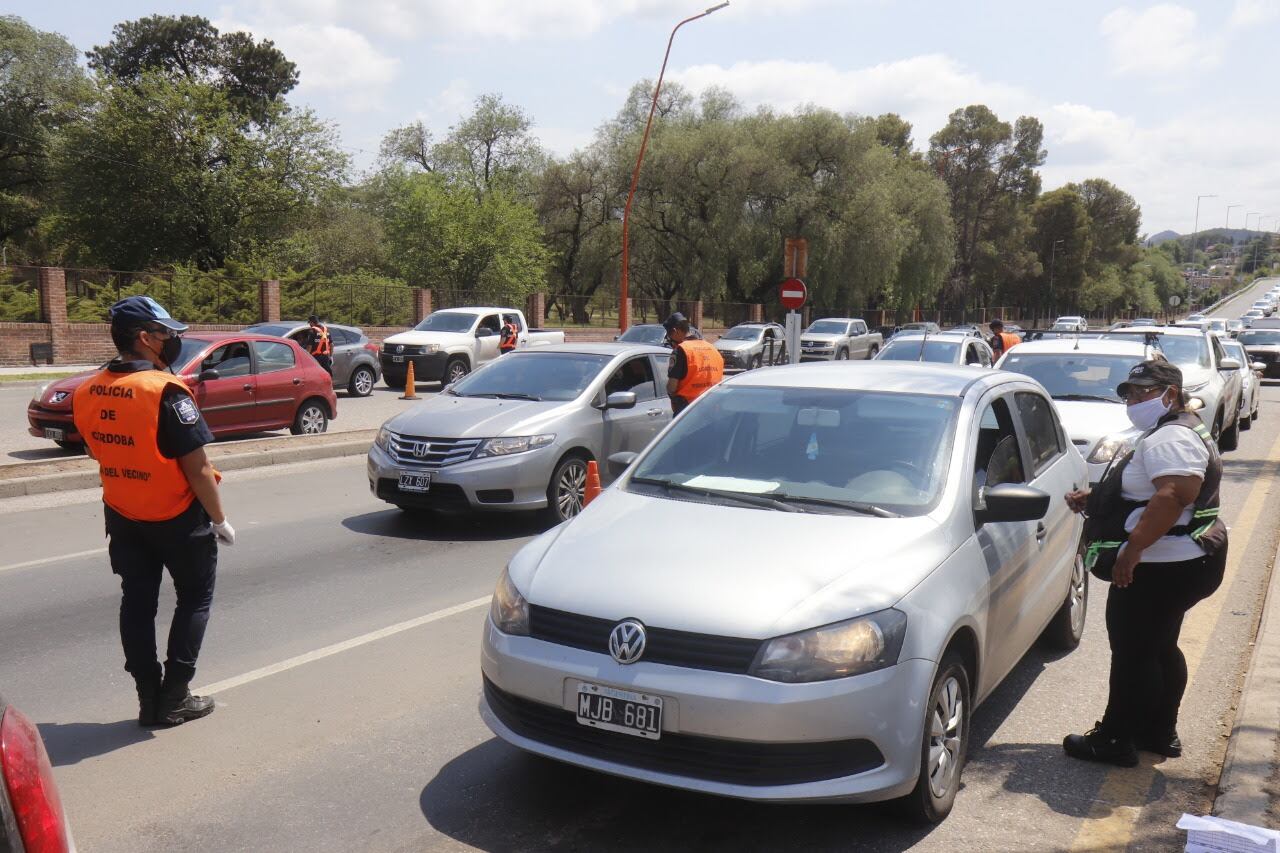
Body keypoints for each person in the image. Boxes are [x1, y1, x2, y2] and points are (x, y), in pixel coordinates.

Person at [72, 296, 236, 728]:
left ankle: (148, 697)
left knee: (137, 602)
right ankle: (175, 697)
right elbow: (199, 469)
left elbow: (95, 448)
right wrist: (218, 520)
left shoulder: (87, 389)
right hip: (178, 518)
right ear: (145, 338)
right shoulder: (164, 391)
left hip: (124, 514)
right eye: (167, 333)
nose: (174, 339)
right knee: (195, 599)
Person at [1061, 360, 1227, 766]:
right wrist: (1099, 500)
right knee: (1159, 647)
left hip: (1160, 566)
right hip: (1179, 563)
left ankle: (1116, 739)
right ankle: (1158, 731)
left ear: (1171, 393)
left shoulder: (1173, 437)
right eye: (1130, 393)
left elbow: (1172, 495)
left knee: (1135, 652)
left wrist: (1132, 551)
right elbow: (1151, 491)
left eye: (1144, 392)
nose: (1134, 400)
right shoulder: (1176, 428)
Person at [663, 312, 723, 415]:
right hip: (713, 409)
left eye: (669, 335)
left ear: (675, 331)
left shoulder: (681, 350)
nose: (670, 340)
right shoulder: (713, 349)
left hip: (689, 413)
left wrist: (670, 392)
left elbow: (672, 387)